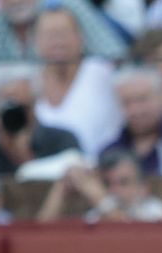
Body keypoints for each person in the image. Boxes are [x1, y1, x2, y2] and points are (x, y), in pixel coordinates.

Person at [0, 0, 128, 107]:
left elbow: (115, 56)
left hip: (79, 103)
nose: (16, 1)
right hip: (16, 119)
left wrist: (66, 77)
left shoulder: (69, 7)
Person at [33, 7, 123, 158]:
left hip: (102, 166)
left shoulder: (103, 72)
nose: (57, 41)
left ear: (80, 37)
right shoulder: (29, 84)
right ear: (36, 42)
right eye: (49, 35)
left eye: (63, 33)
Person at [0, 62, 83, 177]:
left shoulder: (62, 140)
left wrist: (25, 156)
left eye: (22, 108)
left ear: (35, 103)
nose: (14, 116)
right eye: (7, 107)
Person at [38, 146, 162, 220]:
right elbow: (41, 238)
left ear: (143, 188)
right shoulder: (95, 216)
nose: (114, 191)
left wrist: (100, 198)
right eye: (107, 184)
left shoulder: (154, 211)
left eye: (124, 183)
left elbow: (130, 232)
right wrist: (60, 189)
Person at [103, 65, 162, 178]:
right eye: (127, 102)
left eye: (142, 99)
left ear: (161, 98)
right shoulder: (109, 153)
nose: (136, 110)